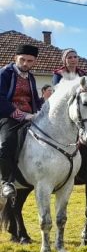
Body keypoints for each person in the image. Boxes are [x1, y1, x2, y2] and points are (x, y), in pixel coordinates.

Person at [0, 44, 43, 201]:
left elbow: (35, 100)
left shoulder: (30, 77)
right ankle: (6, 181)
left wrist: (41, 111)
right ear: (15, 58)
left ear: (34, 62)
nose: (26, 64)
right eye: (22, 60)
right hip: (7, 116)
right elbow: (0, 99)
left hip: (30, 116)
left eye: (30, 61)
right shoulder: (5, 73)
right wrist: (21, 115)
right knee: (7, 143)